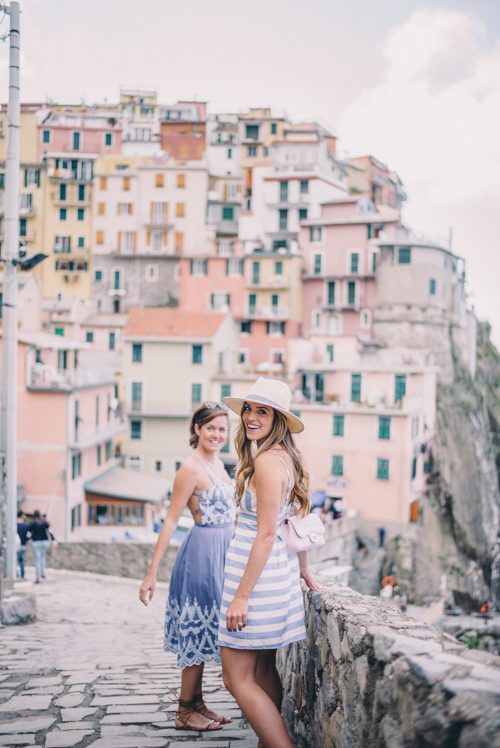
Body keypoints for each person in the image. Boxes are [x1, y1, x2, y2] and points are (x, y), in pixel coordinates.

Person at [218, 378, 320, 748]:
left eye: (262, 411)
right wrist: (303, 567)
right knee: (262, 670)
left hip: (257, 581)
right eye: (248, 409)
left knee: (236, 678)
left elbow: (265, 533)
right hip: (277, 574)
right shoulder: (287, 458)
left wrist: (241, 596)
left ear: (278, 419)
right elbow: (295, 519)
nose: (251, 417)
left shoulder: (265, 462)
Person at [139, 402, 235, 732]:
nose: (217, 435)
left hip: (223, 554)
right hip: (201, 556)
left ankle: (197, 703)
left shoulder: (219, 464)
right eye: (210, 428)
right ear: (197, 429)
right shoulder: (190, 469)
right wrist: (151, 574)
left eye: (222, 429)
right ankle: (183, 711)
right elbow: (169, 520)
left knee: (208, 632)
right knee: (197, 629)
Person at [28, 510, 51, 583]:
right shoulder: (44, 522)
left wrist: (27, 539)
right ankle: (43, 573)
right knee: (42, 557)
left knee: (37, 560)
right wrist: (54, 540)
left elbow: (29, 534)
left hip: (36, 543)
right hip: (45, 542)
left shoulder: (32, 523)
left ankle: (38, 577)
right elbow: (50, 531)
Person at [16, 510, 30, 579]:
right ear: (22, 516)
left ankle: (16, 574)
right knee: (21, 560)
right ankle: (22, 574)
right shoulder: (26, 525)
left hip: (15, 545)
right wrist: (26, 540)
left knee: (15, 561)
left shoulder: (14, 525)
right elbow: (29, 535)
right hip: (23, 544)